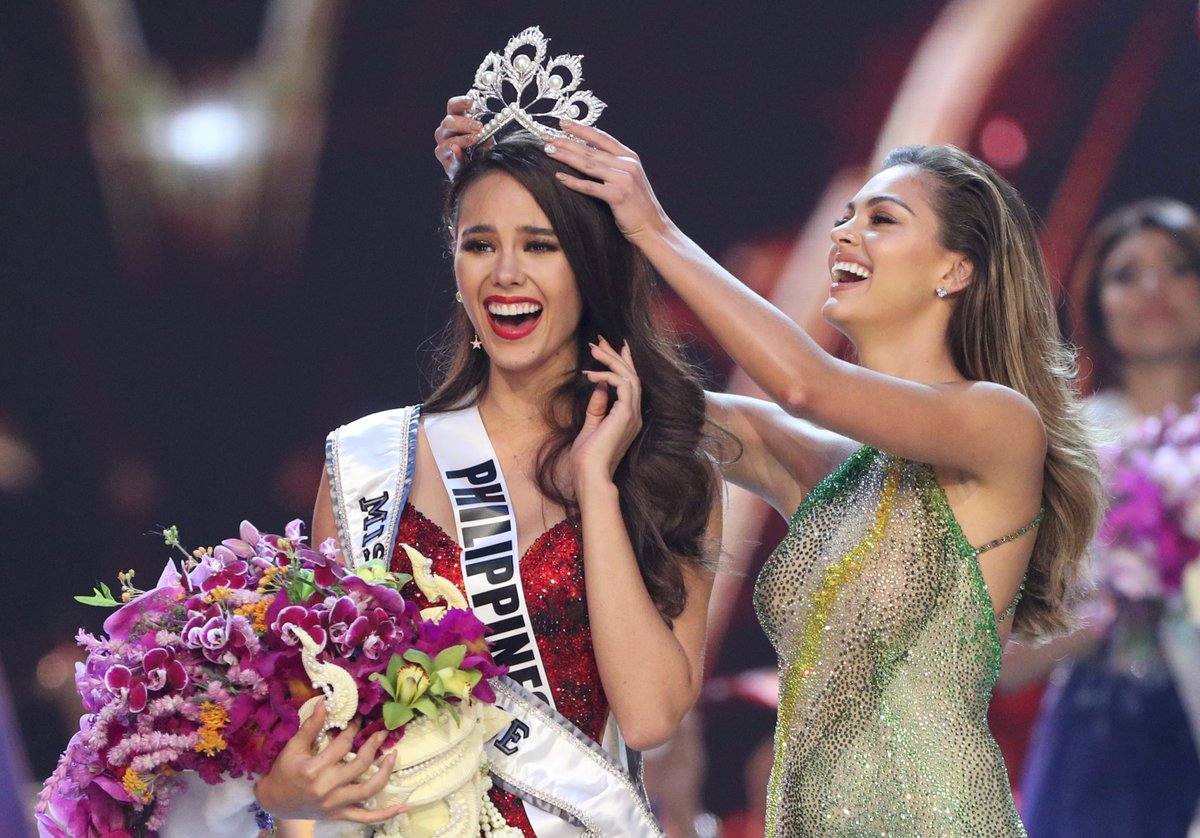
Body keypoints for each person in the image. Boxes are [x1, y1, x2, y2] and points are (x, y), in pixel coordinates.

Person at [435, 99, 1103, 835]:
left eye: (881, 218)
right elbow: (613, 383)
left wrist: (652, 226)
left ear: (954, 269)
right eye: (846, 215)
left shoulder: (1002, 424)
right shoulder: (822, 466)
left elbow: (804, 383)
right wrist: (516, 205)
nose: (844, 231)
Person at [251, 128, 723, 838]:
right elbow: (325, 711)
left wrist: (597, 487)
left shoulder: (666, 469)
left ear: (589, 267)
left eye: (539, 245)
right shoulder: (372, 459)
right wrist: (285, 796)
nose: (505, 273)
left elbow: (651, 716)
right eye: (480, 244)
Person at [999, 198, 1200, 836]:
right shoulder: (1063, 446)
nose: (1151, 288)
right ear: (1097, 304)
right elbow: (1000, 663)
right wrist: (1119, 598)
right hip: (1100, 745)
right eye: (1124, 274)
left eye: (1177, 266)